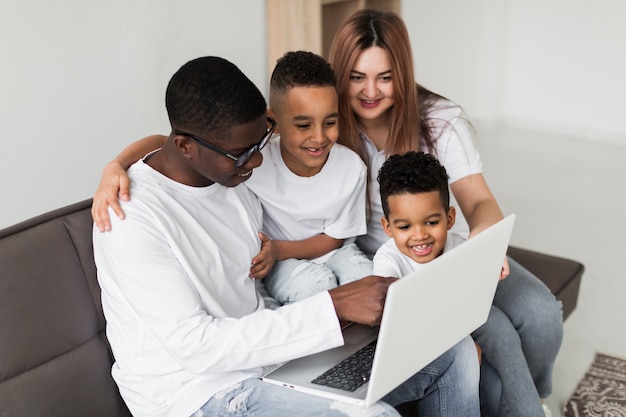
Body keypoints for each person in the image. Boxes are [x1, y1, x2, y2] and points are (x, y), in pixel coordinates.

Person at [92, 55, 481, 417]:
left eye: (260, 142)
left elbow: (161, 142)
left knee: (453, 353)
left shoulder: (229, 177)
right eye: (244, 153)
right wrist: (332, 306)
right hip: (197, 392)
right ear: (185, 147)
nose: (259, 160)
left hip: (269, 360)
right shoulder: (129, 218)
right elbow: (197, 347)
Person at [327, 9, 562, 417]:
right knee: (492, 329)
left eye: (385, 77)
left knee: (540, 315)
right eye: (357, 77)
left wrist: (485, 247)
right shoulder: (327, 127)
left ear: (402, 72)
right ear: (340, 74)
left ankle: (536, 395)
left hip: (446, 247)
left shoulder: (441, 120)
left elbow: (479, 202)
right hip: (386, 255)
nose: (371, 92)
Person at [245, 50, 372, 305]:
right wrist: (138, 152)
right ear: (274, 121)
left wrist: (279, 247)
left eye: (329, 122)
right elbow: (179, 145)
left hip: (335, 251)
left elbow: (336, 238)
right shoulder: (255, 165)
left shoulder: (351, 168)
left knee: (366, 280)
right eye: (304, 125)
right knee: (315, 287)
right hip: (280, 263)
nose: (319, 137)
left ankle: (371, 345)